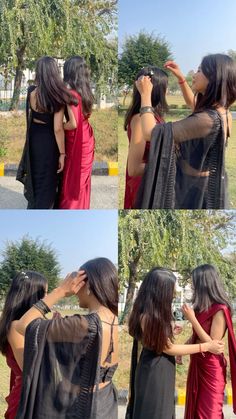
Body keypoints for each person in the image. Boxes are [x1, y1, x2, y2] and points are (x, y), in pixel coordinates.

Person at [13, 258, 118, 419]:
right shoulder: (115, 318)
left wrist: (60, 291)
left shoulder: (83, 325)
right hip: (107, 403)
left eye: (78, 284)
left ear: (88, 285)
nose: (75, 291)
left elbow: (23, 326)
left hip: (83, 408)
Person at [135, 54, 236, 209]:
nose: (194, 75)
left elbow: (150, 132)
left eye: (200, 70)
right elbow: (192, 103)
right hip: (203, 185)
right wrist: (181, 78)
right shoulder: (223, 112)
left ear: (214, 78)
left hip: (193, 192)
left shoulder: (208, 120)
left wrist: (145, 95)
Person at [126, 267, 224, 419]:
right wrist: (205, 346)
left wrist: (168, 331)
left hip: (158, 368)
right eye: (171, 289)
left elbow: (156, 340)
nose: (173, 294)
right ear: (160, 291)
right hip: (155, 372)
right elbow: (168, 348)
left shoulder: (149, 312)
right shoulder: (148, 316)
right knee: (156, 412)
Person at [17, 56, 78, 209]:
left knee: (36, 180)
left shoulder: (31, 92)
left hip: (34, 140)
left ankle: (34, 207)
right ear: (54, 73)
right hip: (49, 143)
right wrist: (63, 154)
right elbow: (58, 128)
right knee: (48, 182)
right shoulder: (57, 96)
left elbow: (31, 118)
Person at [181, 264, 236, 418]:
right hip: (197, 362)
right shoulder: (201, 307)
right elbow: (197, 336)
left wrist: (192, 320)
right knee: (195, 410)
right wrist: (182, 350)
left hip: (211, 367)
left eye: (194, 282)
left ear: (203, 283)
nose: (192, 285)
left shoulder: (220, 309)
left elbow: (212, 345)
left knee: (209, 413)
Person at [0, 271, 48, 419]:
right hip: (26, 400)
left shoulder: (24, 324)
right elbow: (29, 368)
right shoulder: (15, 327)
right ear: (33, 297)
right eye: (45, 293)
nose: (47, 298)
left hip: (35, 396)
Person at [124, 67, 168, 209]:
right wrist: (167, 165)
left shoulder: (152, 116)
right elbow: (134, 168)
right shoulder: (139, 119)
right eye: (165, 87)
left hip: (155, 181)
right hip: (145, 187)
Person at [58, 56, 95, 209]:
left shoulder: (71, 94)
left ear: (70, 71)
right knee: (82, 179)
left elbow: (73, 124)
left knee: (74, 180)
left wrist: (60, 125)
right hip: (87, 135)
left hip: (77, 140)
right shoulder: (86, 92)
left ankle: (71, 208)